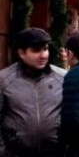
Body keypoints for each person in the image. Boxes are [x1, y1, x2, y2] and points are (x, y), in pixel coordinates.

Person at [0, 28, 66, 157]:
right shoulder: (4, 80)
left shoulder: (62, 78)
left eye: (45, 49)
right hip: (17, 152)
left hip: (54, 152)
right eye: (36, 50)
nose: (43, 55)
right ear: (21, 53)